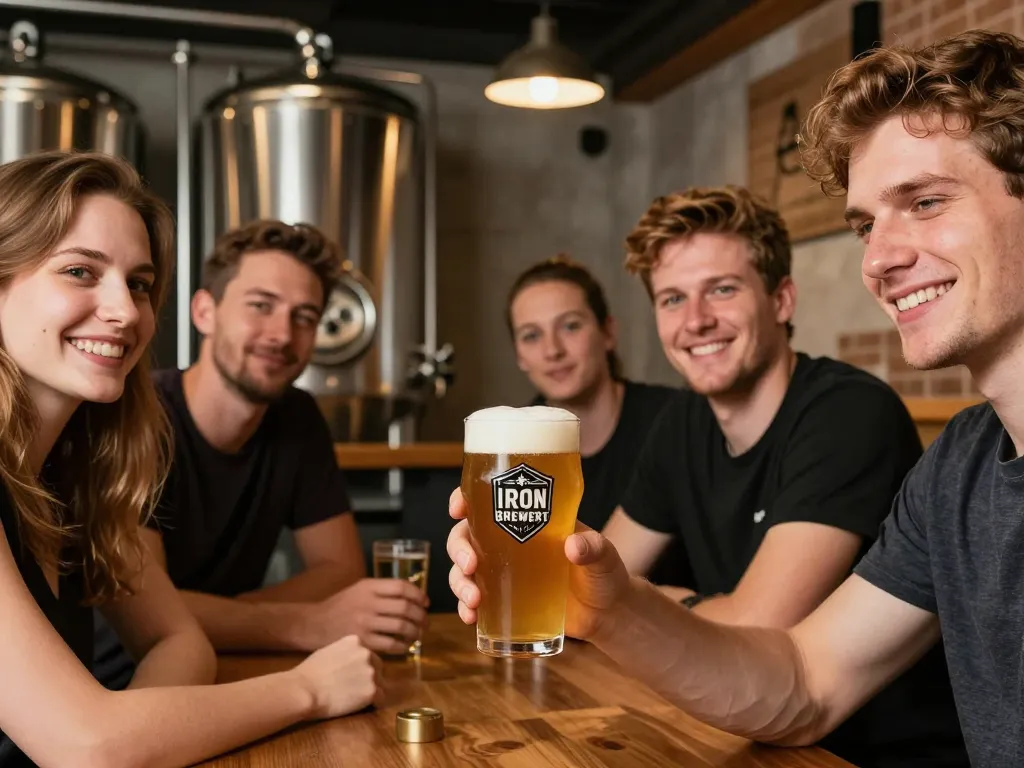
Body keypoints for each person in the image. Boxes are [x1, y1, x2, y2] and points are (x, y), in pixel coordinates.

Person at [446, 27, 1024, 768]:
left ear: (779, 301)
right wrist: (613, 607)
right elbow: (805, 684)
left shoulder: (850, 413)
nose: (878, 259)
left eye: (926, 202)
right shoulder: (961, 468)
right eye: (865, 226)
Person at [0, 149, 381, 768]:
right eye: (79, 271)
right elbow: (85, 746)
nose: (126, 311)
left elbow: (180, 640)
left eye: (141, 284)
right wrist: (308, 688)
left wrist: (134, 735)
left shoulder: (82, 471)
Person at [94, 219, 429, 689]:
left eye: (305, 317)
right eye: (261, 306)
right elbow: (149, 612)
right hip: (127, 684)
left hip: (237, 669)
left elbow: (341, 571)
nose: (282, 334)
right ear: (205, 311)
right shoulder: (137, 414)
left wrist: (226, 616)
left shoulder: (297, 417)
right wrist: (307, 623)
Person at [507, 256, 690, 585]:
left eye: (570, 326)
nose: (553, 350)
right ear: (520, 356)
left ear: (607, 332)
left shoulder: (674, 417)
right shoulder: (510, 444)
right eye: (531, 336)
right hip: (565, 628)